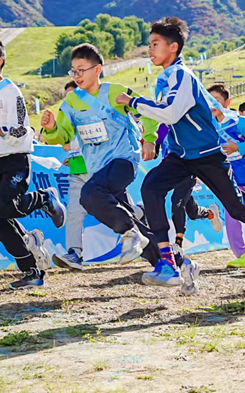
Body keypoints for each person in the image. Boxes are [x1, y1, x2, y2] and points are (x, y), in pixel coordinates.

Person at [123, 17, 245, 290]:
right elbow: (172, 113)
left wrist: (133, 102)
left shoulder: (182, 75)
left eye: (155, 44)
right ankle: (167, 263)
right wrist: (149, 136)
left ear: (173, 47)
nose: (149, 49)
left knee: (237, 208)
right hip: (181, 155)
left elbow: (171, 112)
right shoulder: (165, 77)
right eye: (149, 44)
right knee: (151, 188)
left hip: (208, 153)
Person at [40, 44, 160, 271]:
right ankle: (169, 262)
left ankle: (129, 231)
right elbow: (63, 135)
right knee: (114, 207)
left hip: (122, 161)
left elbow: (145, 109)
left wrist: (150, 138)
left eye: (81, 70)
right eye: (73, 71)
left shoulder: (115, 92)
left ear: (98, 70)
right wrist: (52, 128)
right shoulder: (71, 102)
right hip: (95, 169)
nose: (76, 76)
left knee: (89, 195)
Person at [0, 36, 66, 288]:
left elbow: (25, 131)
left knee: (5, 207)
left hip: (14, 160)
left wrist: (1, 130)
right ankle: (32, 272)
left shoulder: (11, 91)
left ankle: (44, 198)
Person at [206, 84, 245, 269]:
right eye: (209, 101)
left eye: (216, 100)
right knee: (231, 214)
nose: (212, 104)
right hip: (229, 176)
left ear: (227, 102)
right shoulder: (208, 127)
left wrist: (238, 148)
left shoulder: (239, 121)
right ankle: (241, 255)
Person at [55, 81, 92, 270]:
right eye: (68, 96)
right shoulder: (67, 120)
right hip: (78, 170)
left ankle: (141, 214)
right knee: (74, 213)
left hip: (101, 169)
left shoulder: (95, 111)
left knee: (117, 210)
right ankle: (74, 253)